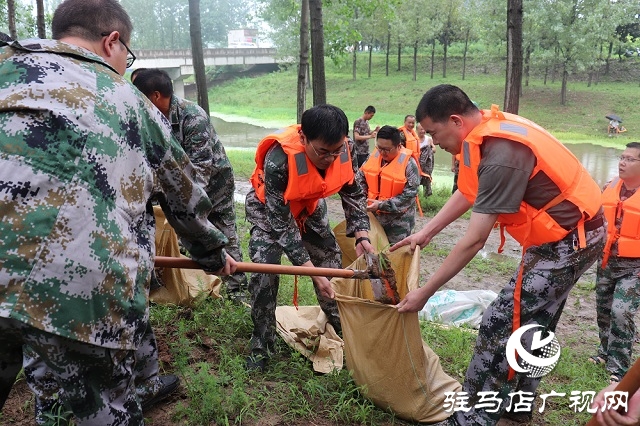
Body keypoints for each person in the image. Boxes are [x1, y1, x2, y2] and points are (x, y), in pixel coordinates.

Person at [0, 1, 236, 425]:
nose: (126, 64)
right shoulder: (128, 100)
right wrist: (213, 254)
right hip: (78, 292)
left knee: (45, 370)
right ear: (112, 41)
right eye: (128, 54)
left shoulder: (4, 69)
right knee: (105, 404)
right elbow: (184, 199)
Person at [391, 84, 605, 426]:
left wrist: (424, 292)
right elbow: (469, 190)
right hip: (572, 233)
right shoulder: (487, 129)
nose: (433, 142)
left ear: (456, 120)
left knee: (499, 325)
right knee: (533, 325)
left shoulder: (501, 153)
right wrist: (426, 232)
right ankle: (516, 410)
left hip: (569, 241)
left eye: (433, 133)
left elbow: (474, 240)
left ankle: (472, 419)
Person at [245, 104, 374, 371]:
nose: (330, 158)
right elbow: (280, 222)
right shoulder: (279, 158)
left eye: (336, 150)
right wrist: (310, 270)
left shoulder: (343, 150)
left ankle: (343, 329)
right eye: (323, 152)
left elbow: (354, 192)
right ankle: (262, 342)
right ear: (303, 138)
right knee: (264, 270)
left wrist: (362, 233)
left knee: (331, 267)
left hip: (309, 207)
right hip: (270, 212)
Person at [132, 68, 249, 304]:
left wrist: (182, 206)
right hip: (177, 187)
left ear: (155, 96)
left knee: (224, 234)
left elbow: (201, 171)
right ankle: (164, 280)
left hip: (214, 185)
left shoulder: (192, 116)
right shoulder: (149, 119)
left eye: (140, 97)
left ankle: (238, 292)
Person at [591, 142, 640, 384]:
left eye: (630, 159)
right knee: (604, 309)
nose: (623, 162)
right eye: (622, 157)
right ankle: (604, 353)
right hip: (607, 260)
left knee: (622, 312)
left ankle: (619, 368)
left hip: (635, 267)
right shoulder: (609, 187)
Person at [357, 125, 420, 244]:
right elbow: (360, 179)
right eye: (379, 148)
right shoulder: (373, 157)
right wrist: (363, 199)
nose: (382, 152)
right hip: (373, 217)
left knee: (394, 255)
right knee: (373, 253)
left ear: (398, 146)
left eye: (386, 149)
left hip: (398, 223)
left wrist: (381, 205)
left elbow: (410, 195)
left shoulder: (409, 165)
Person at [417, 122, 435, 196]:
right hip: (417, 164)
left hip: (426, 166)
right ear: (417, 130)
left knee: (426, 180)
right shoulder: (413, 139)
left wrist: (429, 150)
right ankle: (415, 197)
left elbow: (434, 149)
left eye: (424, 129)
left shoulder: (429, 139)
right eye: (421, 129)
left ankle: (427, 197)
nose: (422, 131)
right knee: (415, 180)